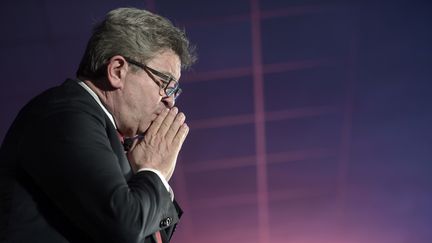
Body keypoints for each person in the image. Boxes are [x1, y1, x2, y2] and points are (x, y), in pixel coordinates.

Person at [0, 7, 196, 243]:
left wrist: (141, 177)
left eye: (175, 90)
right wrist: (155, 172)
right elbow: (124, 227)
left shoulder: (106, 132)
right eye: (165, 83)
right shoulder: (65, 114)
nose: (170, 100)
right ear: (117, 71)